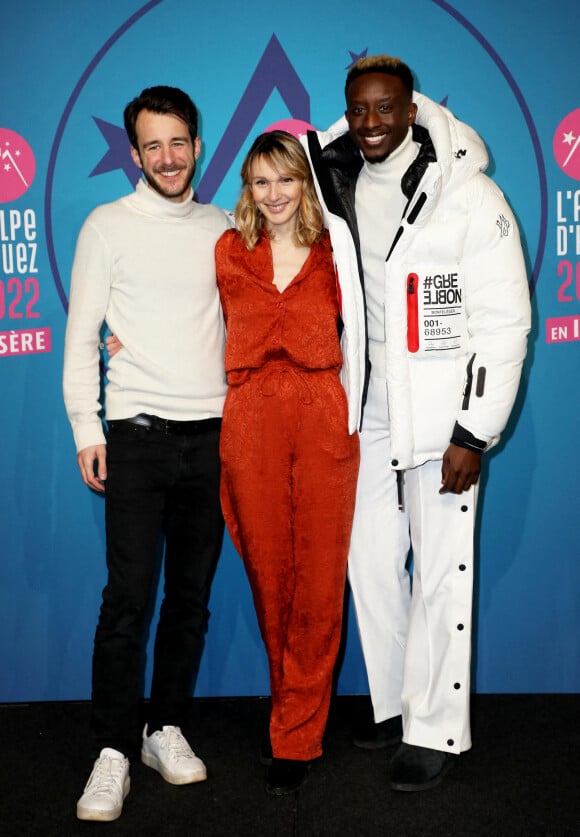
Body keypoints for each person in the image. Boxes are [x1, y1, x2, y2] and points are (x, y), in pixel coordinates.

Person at [303, 55, 531, 791]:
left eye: (385, 108)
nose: (371, 123)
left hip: (441, 417)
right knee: (369, 563)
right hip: (362, 407)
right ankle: (396, 700)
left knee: (439, 568)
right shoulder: (328, 184)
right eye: (359, 109)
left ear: (411, 107)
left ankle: (436, 725)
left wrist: (475, 430)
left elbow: (505, 323)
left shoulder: (468, 194)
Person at [63, 85, 231, 822]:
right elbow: (81, 337)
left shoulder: (226, 224)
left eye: (178, 141)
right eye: (152, 144)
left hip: (215, 438)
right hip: (133, 435)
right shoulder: (107, 224)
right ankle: (111, 749)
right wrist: (86, 428)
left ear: (198, 144)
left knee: (189, 601)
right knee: (127, 599)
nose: (167, 156)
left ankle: (164, 727)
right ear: (134, 152)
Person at [214, 131, 360, 795]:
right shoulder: (227, 249)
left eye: (285, 179)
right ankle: (289, 709)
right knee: (271, 573)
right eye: (260, 181)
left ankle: (297, 733)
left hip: (322, 412)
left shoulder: (336, 249)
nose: (273, 195)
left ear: (306, 183)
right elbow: (180, 312)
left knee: (321, 578)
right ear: (247, 187)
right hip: (249, 419)